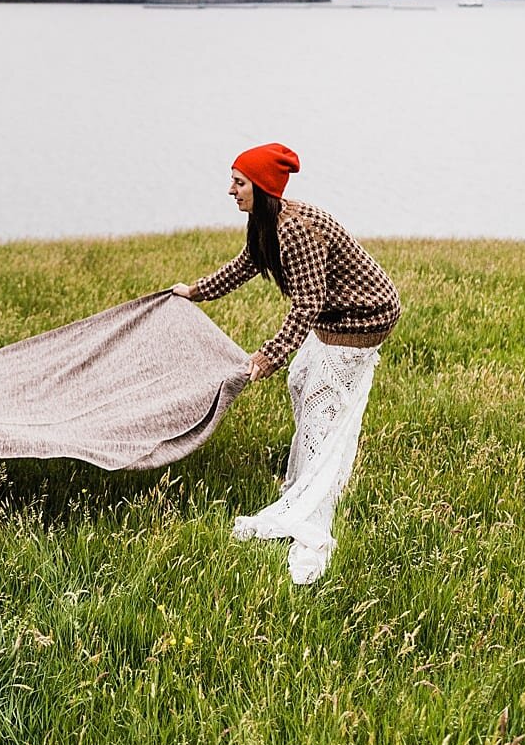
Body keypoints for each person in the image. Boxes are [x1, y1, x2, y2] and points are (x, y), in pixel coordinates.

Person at [171, 142, 400, 584]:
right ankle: (303, 481)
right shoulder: (266, 223)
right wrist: (195, 291)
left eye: (239, 183)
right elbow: (244, 266)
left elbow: (308, 304)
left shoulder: (296, 230)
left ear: (261, 187)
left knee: (320, 403)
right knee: (301, 379)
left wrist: (267, 357)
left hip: (361, 318)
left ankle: (312, 502)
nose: (231, 190)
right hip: (335, 314)